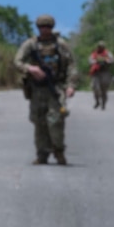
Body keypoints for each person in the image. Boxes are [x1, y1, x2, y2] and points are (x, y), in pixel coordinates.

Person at [15, 14, 75, 164]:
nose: (45, 30)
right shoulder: (31, 44)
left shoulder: (61, 44)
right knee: (39, 122)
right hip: (37, 89)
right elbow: (17, 61)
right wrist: (30, 68)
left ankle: (59, 151)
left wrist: (71, 85)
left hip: (56, 88)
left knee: (55, 121)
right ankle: (42, 154)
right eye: (42, 27)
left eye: (48, 27)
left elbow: (71, 66)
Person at [88, 40, 114, 109]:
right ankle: (97, 101)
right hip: (96, 72)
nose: (100, 48)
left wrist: (107, 61)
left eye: (102, 47)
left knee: (104, 90)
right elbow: (90, 60)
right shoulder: (94, 53)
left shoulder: (107, 53)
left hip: (105, 72)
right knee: (95, 88)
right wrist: (96, 61)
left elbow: (112, 60)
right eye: (99, 47)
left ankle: (103, 103)